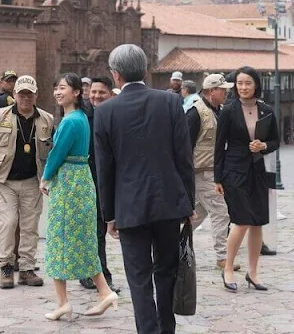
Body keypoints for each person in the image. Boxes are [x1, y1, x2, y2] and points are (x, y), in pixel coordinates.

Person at [94, 44, 195, 334]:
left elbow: (105, 169)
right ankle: (166, 329)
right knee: (166, 273)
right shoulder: (169, 102)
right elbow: (183, 157)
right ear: (146, 70)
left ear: (115, 75)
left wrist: (109, 215)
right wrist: (187, 202)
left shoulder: (105, 111)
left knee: (138, 278)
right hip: (168, 203)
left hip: (129, 206)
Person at [40, 73, 118, 321]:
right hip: (79, 180)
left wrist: (46, 177)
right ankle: (95, 293)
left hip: (69, 183)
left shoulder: (71, 121)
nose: (57, 92)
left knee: (59, 238)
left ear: (75, 92)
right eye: (56, 88)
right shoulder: (81, 118)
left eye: (62, 88)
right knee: (79, 239)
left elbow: (57, 153)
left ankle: (72, 299)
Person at [0, 75, 53, 289]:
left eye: (30, 93)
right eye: (22, 93)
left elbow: (53, 152)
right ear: (15, 95)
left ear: (36, 95)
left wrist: (51, 178)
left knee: (30, 227)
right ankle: (6, 267)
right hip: (5, 181)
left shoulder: (46, 119)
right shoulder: (2, 117)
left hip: (31, 181)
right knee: (7, 224)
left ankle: (27, 269)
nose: (25, 98)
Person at [215, 66, 279, 293]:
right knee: (241, 221)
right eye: (239, 83)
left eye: (247, 83)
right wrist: (218, 177)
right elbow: (219, 146)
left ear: (256, 85)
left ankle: (252, 272)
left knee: (257, 222)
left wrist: (263, 146)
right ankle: (228, 268)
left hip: (258, 172)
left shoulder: (266, 110)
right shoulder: (229, 110)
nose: (243, 87)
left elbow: (275, 142)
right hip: (234, 172)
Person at [185, 74, 240, 271]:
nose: (226, 92)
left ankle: (171, 243)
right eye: (222, 89)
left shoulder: (218, 110)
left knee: (198, 213)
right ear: (210, 91)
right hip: (201, 171)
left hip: (212, 171)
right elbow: (185, 145)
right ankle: (222, 256)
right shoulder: (195, 113)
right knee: (220, 211)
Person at [78, 77, 119, 293]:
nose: (96, 96)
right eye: (93, 92)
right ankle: (100, 274)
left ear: (110, 94)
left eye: (101, 93)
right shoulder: (84, 116)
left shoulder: (116, 115)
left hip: (111, 181)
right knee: (96, 230)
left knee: (100, 229)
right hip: (89, 180)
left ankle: (91, 272)